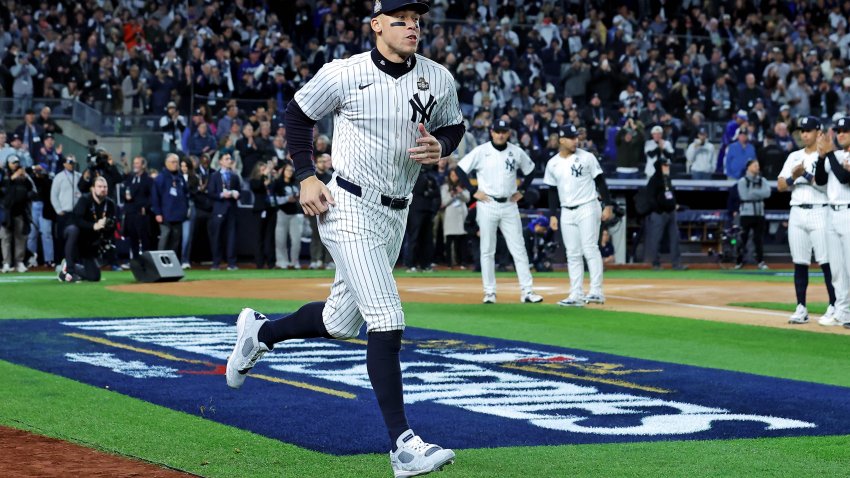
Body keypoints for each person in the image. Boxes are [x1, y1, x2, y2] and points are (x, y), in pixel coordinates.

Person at [226, 2, 463, 476]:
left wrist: (444, 146)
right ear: (377, 25)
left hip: (396, 211)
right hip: (347, 204)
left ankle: (260, 333)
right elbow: (297, 114)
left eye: (417, 19)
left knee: (339, 323)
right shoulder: (343, 73)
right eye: (400, 19)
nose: (412, 26)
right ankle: (403, 447)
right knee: (387, 318)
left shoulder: (438, 78)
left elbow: (452, 124)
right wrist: (306, 176)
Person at [457, 119, 544, 304]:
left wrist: (522, 191)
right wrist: (473, 192)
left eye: (504, 131)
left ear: (508, 133)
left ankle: (527, 291)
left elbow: (531, 171)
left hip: (509, 204)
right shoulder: (482, 151)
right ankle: (489, 292)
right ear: (491, 132)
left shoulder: (515, 151)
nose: (501, 134)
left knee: (519, 248)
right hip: (488, 203)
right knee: (487, 249)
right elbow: (460, 169)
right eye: (498, 131)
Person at [544, 123, 614, 306]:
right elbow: (551, 191)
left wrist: (608, 205)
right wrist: (552, 215)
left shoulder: (587, 157)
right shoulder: (553, 163)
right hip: (566, 210)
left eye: (576, 137)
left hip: (588, 206)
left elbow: (601, 182)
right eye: (571, 137)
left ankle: (596, 291)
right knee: (573, 253)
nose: (576, 140)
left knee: (590, 248)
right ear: (561, 140)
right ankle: (576, 294)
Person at [777, 116, 836, 324]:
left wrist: (806, 175)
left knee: (826, 261)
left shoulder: (828, 156)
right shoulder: (794, 156)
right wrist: (794, 177)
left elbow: (827, 186)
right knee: (799, 262)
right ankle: (801, 306)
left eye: (808, 130)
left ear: (818, 132)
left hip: (820, 211)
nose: (804, 134)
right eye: (802, 130)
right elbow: (781, 185)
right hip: (797, 211)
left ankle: (834, 305)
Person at [814, 118, 850, 326]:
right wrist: (821, 157)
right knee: (837, 269)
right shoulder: (834, 155)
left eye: (845, 130)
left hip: (848, 213)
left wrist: (828, 154)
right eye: (839, 131)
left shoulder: (835, 155)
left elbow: (845, 178)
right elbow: (820, 180)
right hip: (832, 214)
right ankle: (843, 312)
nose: (841, 134)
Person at [57, 176, 117, 282]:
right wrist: (94, 226)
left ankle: (68, 268)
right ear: (92, 188)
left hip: (89, 241)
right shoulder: (85, 199)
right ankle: (70, 271)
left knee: (94, 277)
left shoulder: (110, 204)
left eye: (105, 187)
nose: (103, 189)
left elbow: (112, 226)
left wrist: (107, 227)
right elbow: (77, 220)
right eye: (99, 186)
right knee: (73, 230)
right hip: (76, 234)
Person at [645, 157, 688, 270]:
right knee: (656, 239)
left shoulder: (667, 179)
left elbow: (670, 195)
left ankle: (676, 263)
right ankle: (656, 263)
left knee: (675, 238)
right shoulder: (654, 180)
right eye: (665, 165)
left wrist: (674, 205)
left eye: (668, 165)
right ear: (659, 167)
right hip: (659, 214)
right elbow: (650, 198)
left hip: (671, 213)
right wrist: (659, 209)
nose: (667, 167)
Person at [151, 153, 190, 260]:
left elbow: (186, 194)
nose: (175, 164)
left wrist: (186, 209)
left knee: (176, 240)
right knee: (165, 236)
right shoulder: (160, 178)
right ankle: (160, 261)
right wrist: (158, 213)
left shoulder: (180, 177)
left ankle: (172, 263)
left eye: (177, 162)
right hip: (165, 214)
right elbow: (155, 197)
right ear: (166, 163)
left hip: (178, 214)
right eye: (173, 162)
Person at [735, 159, 771, 270]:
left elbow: (767, 193)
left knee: (758, 239)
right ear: (748, 167)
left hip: (759, 213)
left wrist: (754, 193)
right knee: (743, 238)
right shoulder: (742, 181)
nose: (757, 167)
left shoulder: (763, 180)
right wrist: (759, 194)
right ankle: (739, 261)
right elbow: (745, 196)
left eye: (758, 165)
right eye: (755, 165)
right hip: (746, 214)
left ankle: (760, 261)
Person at [1, 156, 34, 273]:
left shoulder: (24, 177)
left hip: (20, 212)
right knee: (6, 238)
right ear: (8, 164)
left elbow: (32, 190)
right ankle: (6, 263)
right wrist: (12, 178)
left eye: (17, 163)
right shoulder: (3, 175)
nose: (15, 165)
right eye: (13, 163)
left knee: (20, 238)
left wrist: (25, 177)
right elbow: (3, 189)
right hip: (6, 212)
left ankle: (19, 262)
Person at [207, 152, 240, 270]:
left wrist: (236, 193)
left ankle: (231, 263)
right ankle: (216, 263)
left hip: (232, 209)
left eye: (230, 158)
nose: (229, 160)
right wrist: (221, 195)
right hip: (219, 209)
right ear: (220, 161)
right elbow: (210, 192)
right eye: (226, 158)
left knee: (232, 237)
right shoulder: (214, 176)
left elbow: (239, 191)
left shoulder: (234, 176)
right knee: (217, 237)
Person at [50, 155, 82, 263]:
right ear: (64, 164)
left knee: (77, 238)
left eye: (72, 163)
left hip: (76, 213)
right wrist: (58, 210)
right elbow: (53, 195)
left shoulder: (78, 176)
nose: (71, 165)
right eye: (69, 162)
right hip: (64, 212)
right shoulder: (59, 177)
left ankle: (75, 261)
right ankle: (61, 261)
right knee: (62, 238)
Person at [272, 162, 303, 269]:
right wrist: (286, 199)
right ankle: (281, 261)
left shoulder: (295, 183)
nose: (289, 172)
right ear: (283, 171)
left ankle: (295, 262)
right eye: (287, 170)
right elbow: (274, 199)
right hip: (282, 213)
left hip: (294, 213)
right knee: (280, 239)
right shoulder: (278, 183)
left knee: (296, 240)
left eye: (291, 170)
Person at [122, 156, 153, 261]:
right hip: (130, 213)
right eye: (134, 163)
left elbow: (152, 196)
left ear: (143, 165)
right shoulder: (130, 179)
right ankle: (135, 262)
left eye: (137, 163)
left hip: (141, 213)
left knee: (144, 238)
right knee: (132, 238)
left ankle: (147, 262)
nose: (135, 165)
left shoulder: (148, 180)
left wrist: (146, 207)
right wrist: (125, 196)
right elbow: (123, 191)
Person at [440, 167, 470, 268]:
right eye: (452, 175)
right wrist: (452, 194)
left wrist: (460, 192)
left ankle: (463, 262)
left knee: (462, 240)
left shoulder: (463, 186)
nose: (454, 177)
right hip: (450, 216)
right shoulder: (445, 187)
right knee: (449, 240)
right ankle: (449, 263)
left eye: (456, 175)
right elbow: (444, 202)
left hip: (462, 215)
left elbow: (467, 199)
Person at [249, 161, 277, 269]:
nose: (264, 171)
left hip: (271, 210)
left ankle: (271, 263)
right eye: (262, 169)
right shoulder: (254, 180)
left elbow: (277, 189)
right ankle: (259, 263)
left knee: (270, 237)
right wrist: (265, 175)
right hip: (259, 210)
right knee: (259, 237)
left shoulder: (270, 180)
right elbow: (257, 187)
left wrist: (274, 176)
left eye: (265, 169)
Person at [307, 153, 333, 269]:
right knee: (316, 236)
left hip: (328, 209)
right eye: (321, 161)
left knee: (330, 235)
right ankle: (315, 260)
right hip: (314, 208)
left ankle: (329, 261)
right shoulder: (312, 177)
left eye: (325, 161)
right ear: (316, 163)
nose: (323, 163)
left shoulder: (331, 176)